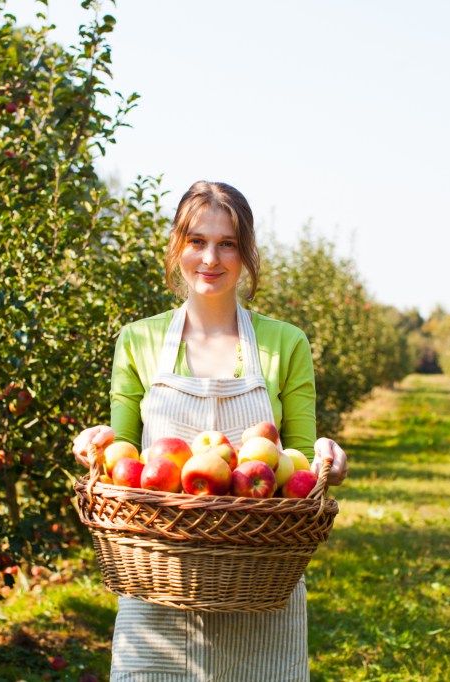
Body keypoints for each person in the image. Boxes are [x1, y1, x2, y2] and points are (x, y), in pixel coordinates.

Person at [72, 180, 348, 682]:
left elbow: (302, 462)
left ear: (247, 254)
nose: (211, 258)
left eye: (228, 243)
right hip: (158, 578)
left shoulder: (285, 343)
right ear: (177, 246)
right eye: (197, 241)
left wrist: (330, 463)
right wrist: (96, 443)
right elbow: (124, 459)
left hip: (260, 581)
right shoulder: (140, 340)